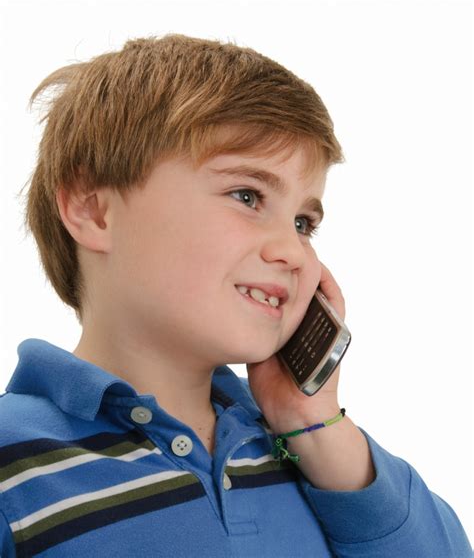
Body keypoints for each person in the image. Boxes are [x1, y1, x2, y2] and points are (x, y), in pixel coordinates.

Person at [0, 34, 471, 558]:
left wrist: (311, 425)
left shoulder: (305, 449)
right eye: (247, 196)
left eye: (303, 222)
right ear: (94, 211)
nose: (293, 251)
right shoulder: (13, 463)